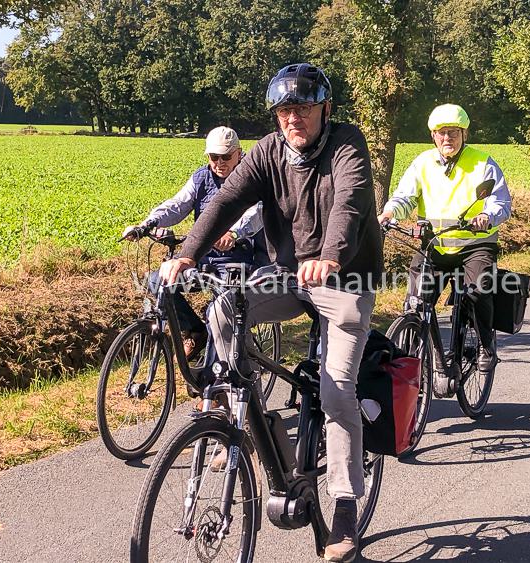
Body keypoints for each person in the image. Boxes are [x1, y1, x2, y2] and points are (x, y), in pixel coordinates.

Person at [159, 62, 383, 562]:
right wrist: (188, 253)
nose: (292, 119)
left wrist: (330, 255)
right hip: (289, 274)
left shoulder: (348, 144)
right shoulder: (267, 151)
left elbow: (349, 203)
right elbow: (226, 200)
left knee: (335, 391)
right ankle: (246, 411)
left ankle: (344, 510)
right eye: (284, 110)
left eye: (302, 108)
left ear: (325, 108)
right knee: (223, 309)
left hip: (345, 276)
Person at [377, 103, 511, 388]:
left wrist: (487, 216)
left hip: (475, 245)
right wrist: (389, 213)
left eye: (452, 132)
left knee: (477, 292)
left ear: (464, 134)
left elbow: (500, 202)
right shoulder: (422, 163)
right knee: (415, 304)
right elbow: (405, 196)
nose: (446, 138)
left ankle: (486, 347)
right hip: (434, 247)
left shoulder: (482, 162)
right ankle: (421, 365)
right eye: (440, 133)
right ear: (433, 136)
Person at [123, 126, 263, 363]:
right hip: (202, 257)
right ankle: (195, 331)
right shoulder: (201, 178)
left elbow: (256, 212)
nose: (219, 162)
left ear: (239, 153)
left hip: (237, 260)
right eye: (213, 157)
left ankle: (214, 384)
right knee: (158, 282)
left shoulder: (250, 178)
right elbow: (178, 204)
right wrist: (147, 224)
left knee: (218, 314)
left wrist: (234, 233)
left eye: (226, 156)